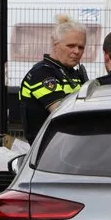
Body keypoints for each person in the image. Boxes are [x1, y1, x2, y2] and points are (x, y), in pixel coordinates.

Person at [19, 14, 89, 144]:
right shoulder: (42, 73)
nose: (77, 51)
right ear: (55, 45)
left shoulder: (73, 73)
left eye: (81, 47)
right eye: (71, 45)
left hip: (68, 143)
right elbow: (61, 113)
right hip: (49, 149)